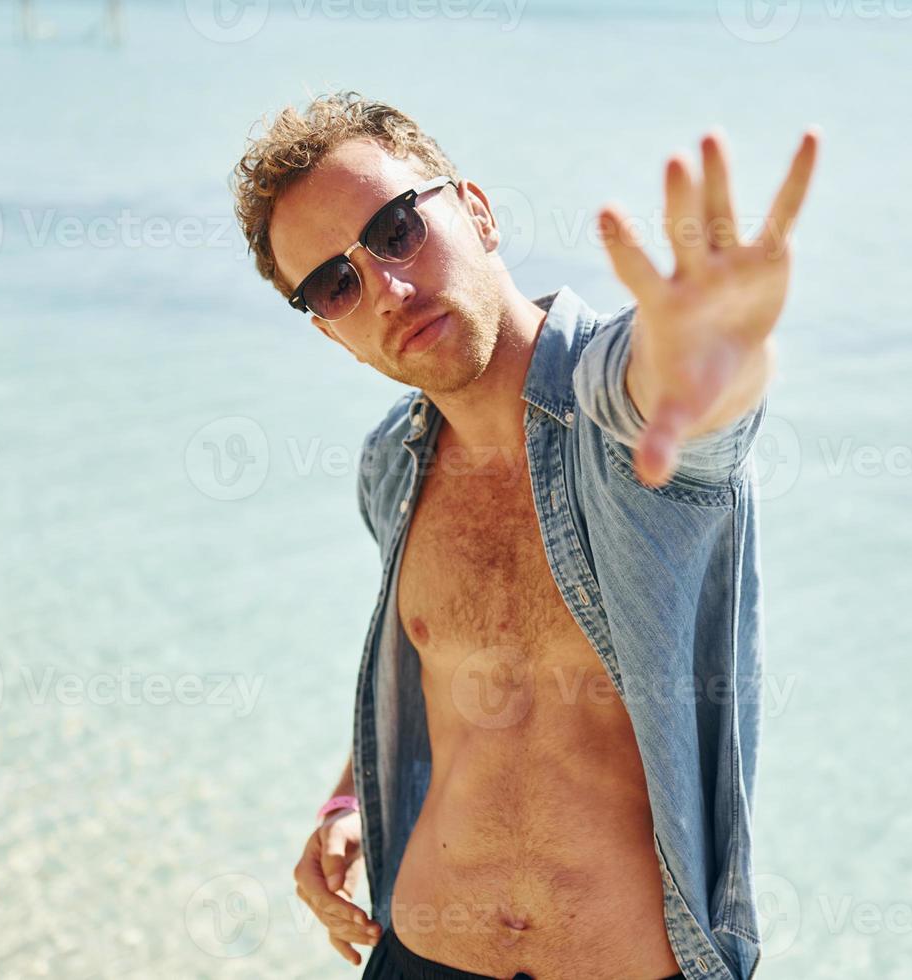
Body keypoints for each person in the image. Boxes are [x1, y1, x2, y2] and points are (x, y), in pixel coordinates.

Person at [230, 91, 817, 980]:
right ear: (329, 331)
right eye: (336, 283)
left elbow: (687, 399)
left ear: (475, 210)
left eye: (395, 228)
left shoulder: (624, 416)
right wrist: (350, 795)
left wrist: (721, 354)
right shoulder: (393, 465)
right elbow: (440, 670)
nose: (386, 286)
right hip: (420, 955)